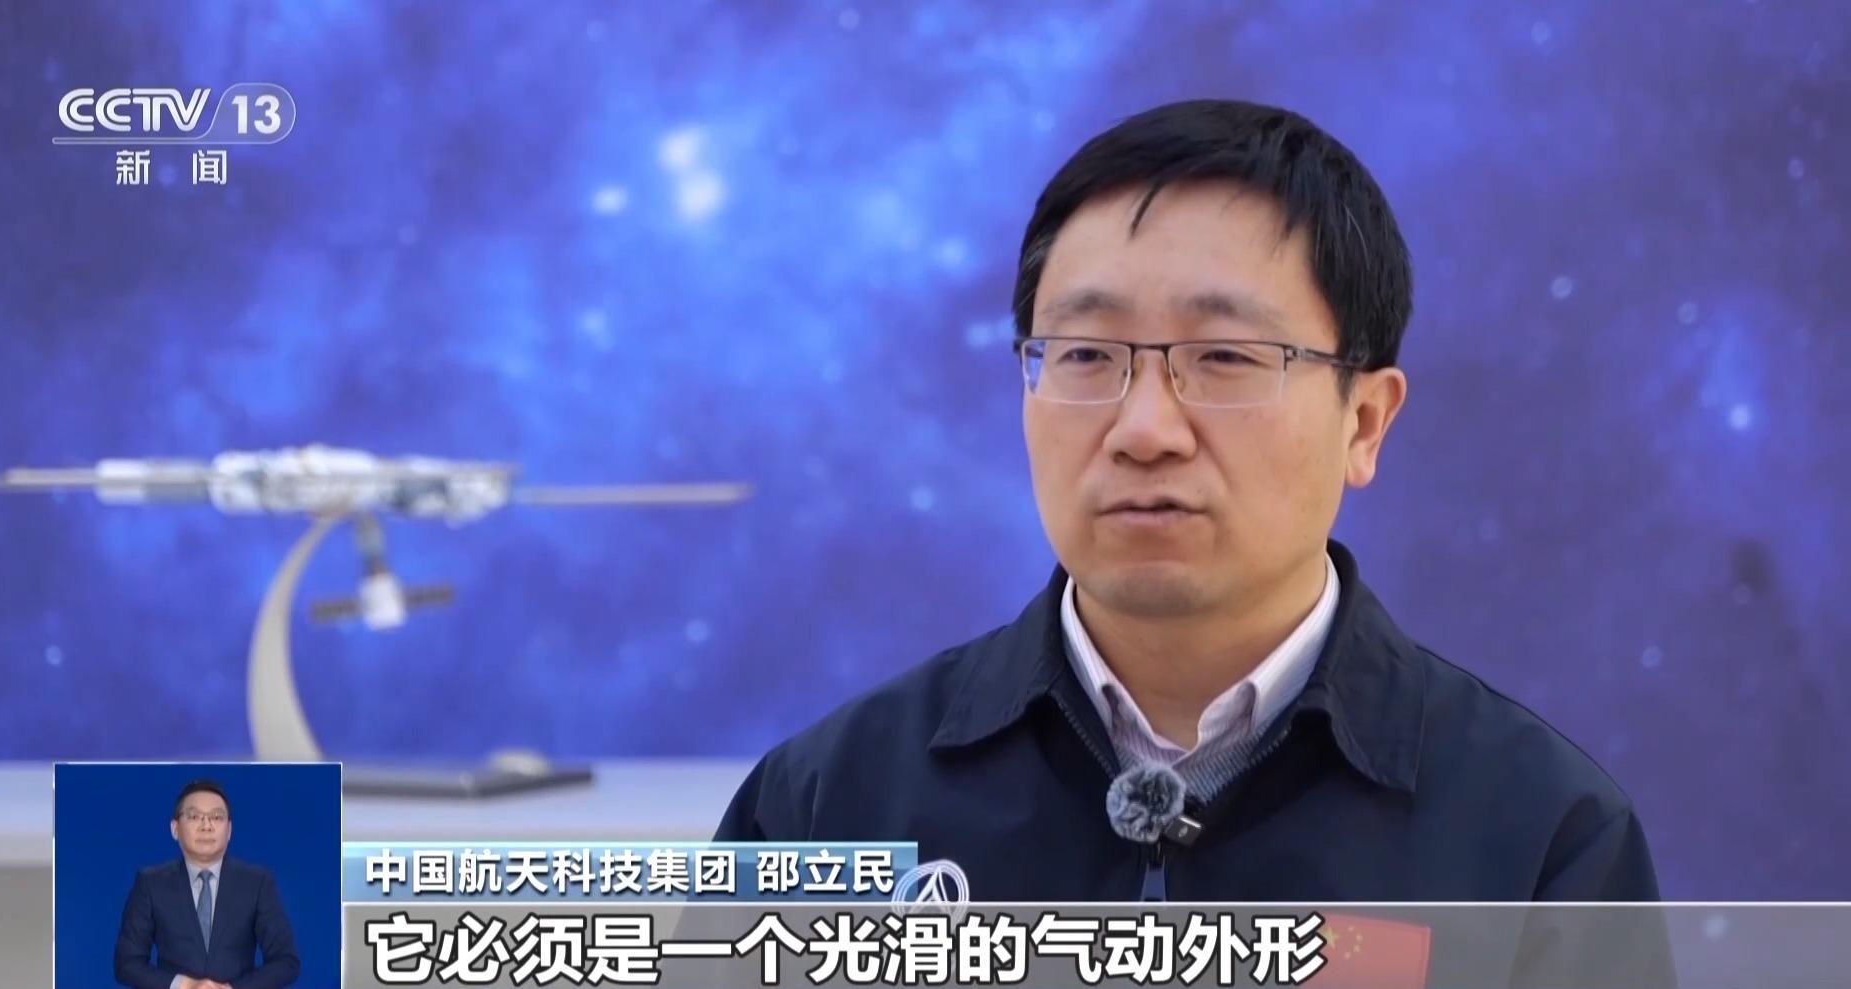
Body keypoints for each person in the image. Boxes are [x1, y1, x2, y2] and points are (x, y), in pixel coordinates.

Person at [713, 99, 1664, 905]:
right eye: (1087, 354)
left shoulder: (1538, 838)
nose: (1145, 429)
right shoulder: (826, 807)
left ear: (1364, 422)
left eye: (1225, 358)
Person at [114, 779, 300, 989]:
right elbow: (126, 963)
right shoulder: (150, 882)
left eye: (216, 817)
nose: (206, 826)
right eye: (194, 817)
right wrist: (184, 985)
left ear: (229, 830)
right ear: (175, 828)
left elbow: (286, 961)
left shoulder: (257, 882)